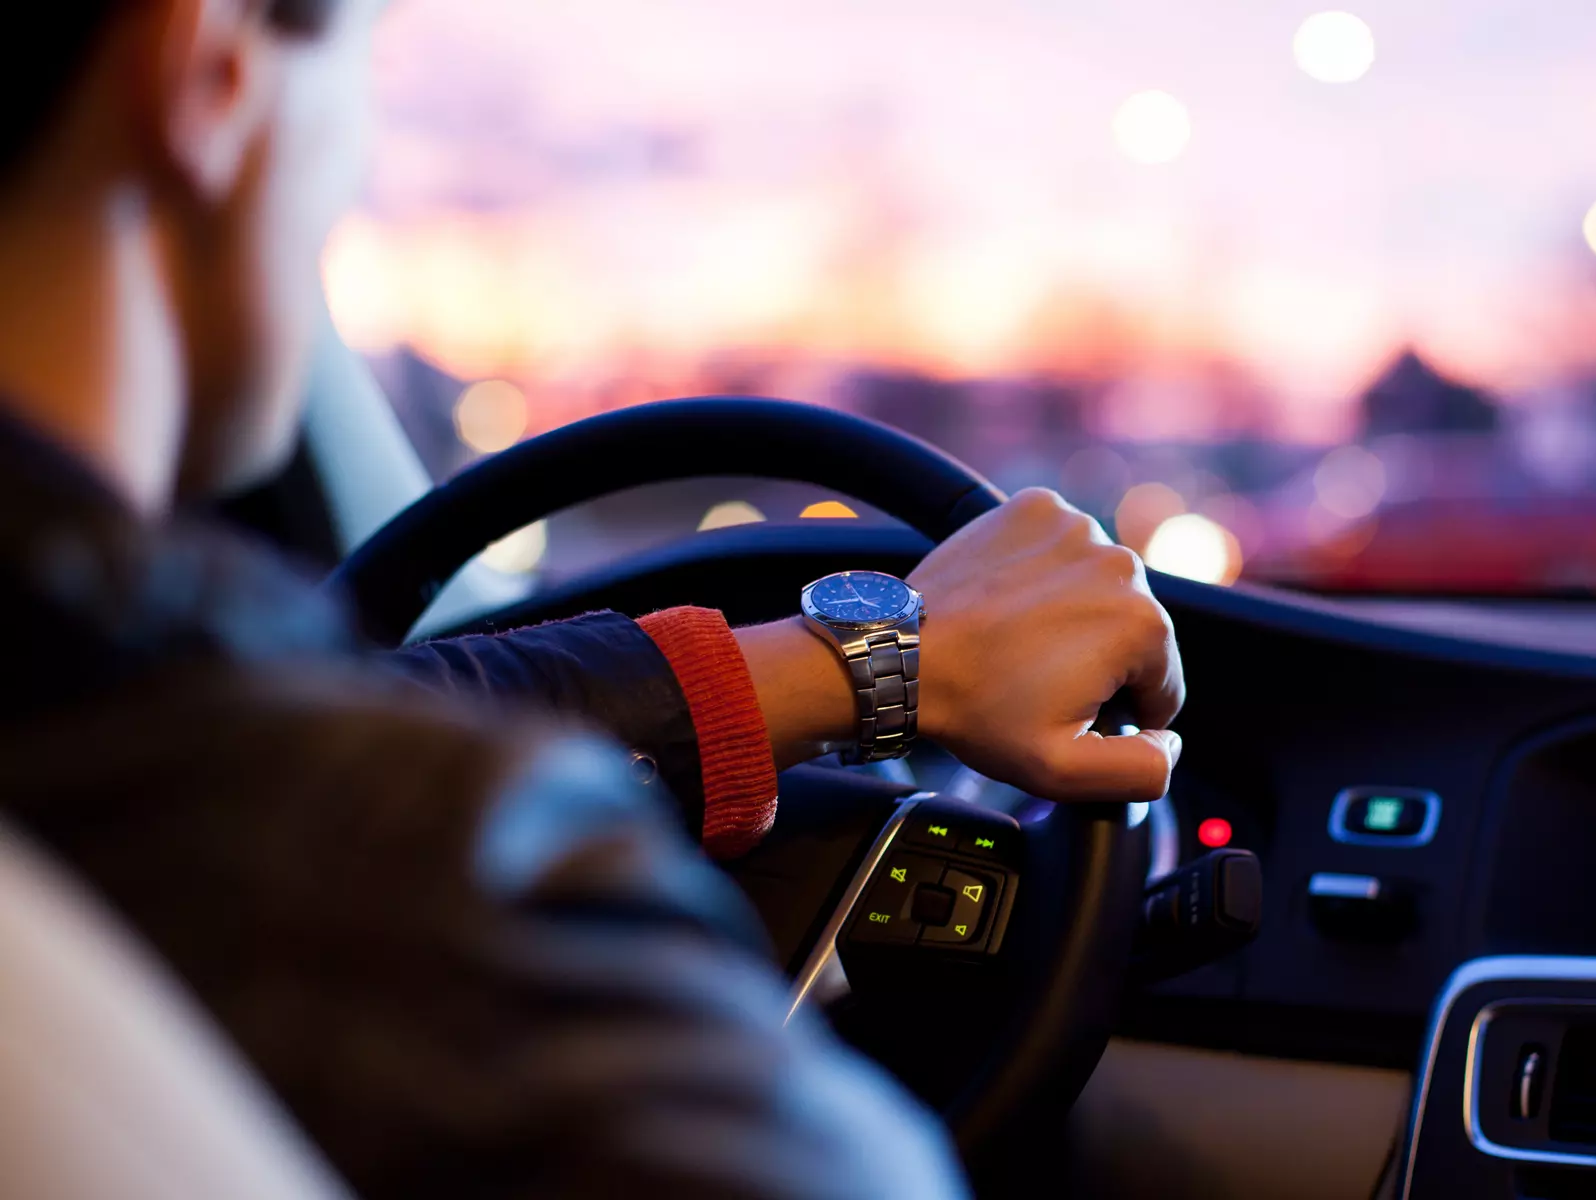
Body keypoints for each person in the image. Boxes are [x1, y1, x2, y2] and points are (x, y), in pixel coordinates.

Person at [0, 0, 1186, 1196]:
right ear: (212, 70)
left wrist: (865, 664)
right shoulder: (429, 894)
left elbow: (333, 708)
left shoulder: (111, 734)